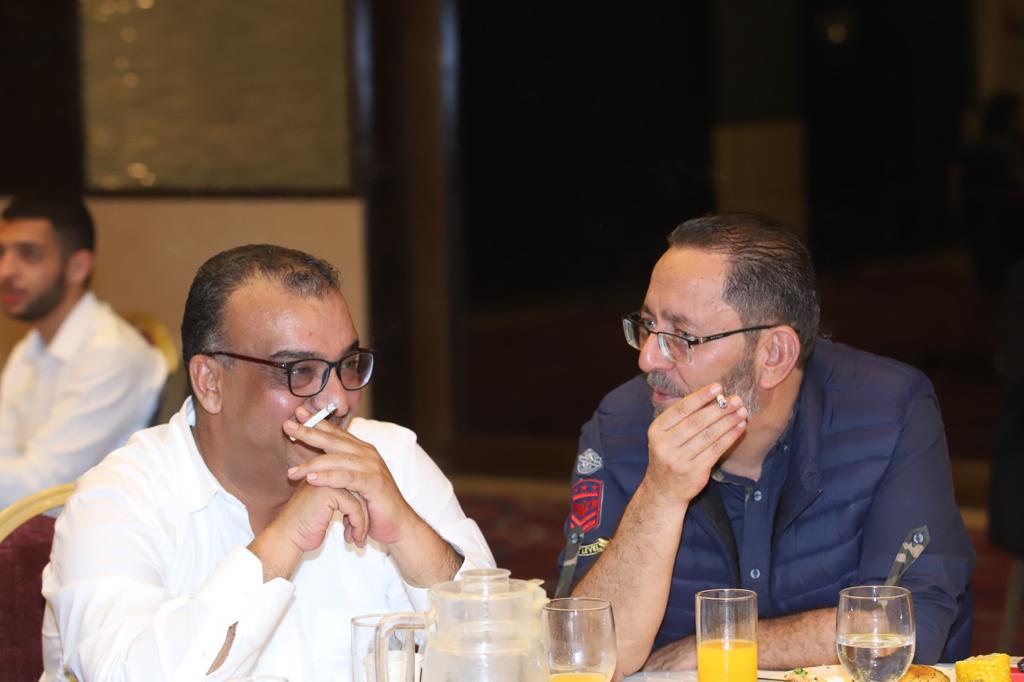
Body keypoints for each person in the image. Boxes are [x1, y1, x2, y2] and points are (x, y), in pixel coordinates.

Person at [42, 244, 495, 680]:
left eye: (348, 364)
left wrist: (406, 531)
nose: (339, 401)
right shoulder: (119, 499)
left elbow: (500, 653)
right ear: (210, 382)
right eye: (300, 371)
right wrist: (286, 537)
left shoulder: (389, 460)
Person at [558, 213, 975, 674]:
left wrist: (709, 650)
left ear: (774, 354)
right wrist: (660, 494)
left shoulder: (886, 413)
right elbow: (585, 653)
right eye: (647, 324)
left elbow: (910, 624)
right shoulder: (619, 425)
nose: (648, 358)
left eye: (680, 336)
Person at [0, 195, 167, 509]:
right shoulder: (31, 345)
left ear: (78, 267)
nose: (6, 270)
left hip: (89, 528)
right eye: (2, 253)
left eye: (28, 255)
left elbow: (43, 491)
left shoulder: (112, 353)